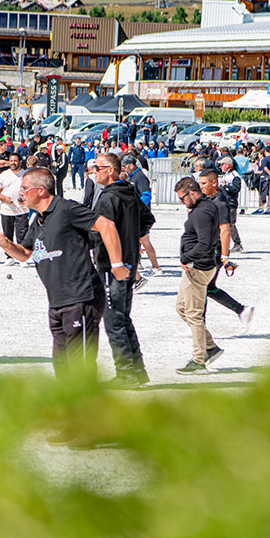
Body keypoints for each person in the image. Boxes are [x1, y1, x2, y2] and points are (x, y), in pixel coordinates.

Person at [0, 167, 127, 384]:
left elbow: (106, 225)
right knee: (61, 364)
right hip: (57, 301)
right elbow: (25, 254)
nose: (20, 193)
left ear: (40, 191)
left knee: (80, 367)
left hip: (81, 297)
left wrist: (117, 264)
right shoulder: (38, 220)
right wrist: (5, 244)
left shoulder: (66, 209)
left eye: (24, 188)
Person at [91, 152, 154, 386]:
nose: (94, 171)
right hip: (128, 262)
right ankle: (137, 370)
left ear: (111, 170)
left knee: (114, 318)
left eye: (98, 167)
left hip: (111, 265)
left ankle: (127, 373)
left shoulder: (110, 197)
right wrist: (131, 239)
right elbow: (147, 219)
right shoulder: (129, 192)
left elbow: (100, 229)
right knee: (122, 317)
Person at [173, 176, 222, 375]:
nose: (182, 202)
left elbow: (204, 243)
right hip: (197, 265)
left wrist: (186, 257)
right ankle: (210, 346)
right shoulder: (203, 208)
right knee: (182, 307)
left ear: (192, 193)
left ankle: (199, 359)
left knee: (193, 314)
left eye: (182, 198)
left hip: (198, 267)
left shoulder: (202, 212)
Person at [197, 169, 254, 333]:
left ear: (214, 183)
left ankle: (201, 325)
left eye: (203, 183)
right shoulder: (211, 199)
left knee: (204, 288)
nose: (201, 187)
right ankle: (241, 310)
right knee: (208, 288)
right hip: (209, 249)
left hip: (214, 252)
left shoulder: (220, 203)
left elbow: (225, 230)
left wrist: (224, 256)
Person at [0, 155, 29, 267]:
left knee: (22, 234)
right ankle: (9, 257)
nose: (13, 163)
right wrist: (4, 198)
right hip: (7, 210)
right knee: (7, 235)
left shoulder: (26, 175)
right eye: (11, 161)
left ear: (20, 162)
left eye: (15, 161)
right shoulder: (4, 175)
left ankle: (22, 258)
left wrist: (25, 198)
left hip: (22, 210)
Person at [217, 156, 244, 253]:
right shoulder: (226, 175)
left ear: (228, 165)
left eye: (222, 164)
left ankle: (237, 244)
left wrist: (226, 186)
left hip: (231, 203)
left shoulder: (234, 175)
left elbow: (236, 188)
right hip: (224, 202)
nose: (220, 167)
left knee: (230, 224)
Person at [254, 150, 270, 214]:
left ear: (265, 152)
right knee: (269, 195)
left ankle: (261, 208)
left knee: (262, 193)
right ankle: (268, 209)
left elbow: (265, 168)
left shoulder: (264, 160)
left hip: (265, 178)